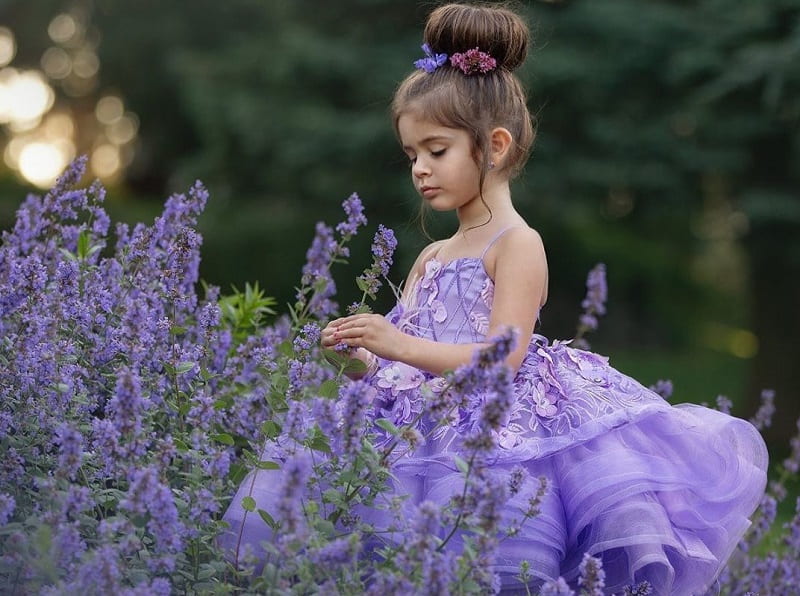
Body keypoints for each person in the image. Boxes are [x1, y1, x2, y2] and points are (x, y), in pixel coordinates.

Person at [223, 3, 768, 594]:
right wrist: (358, 357)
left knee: (478, 567)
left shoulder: (517, 244)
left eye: (436, 150)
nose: (420, 169)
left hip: (487, 439)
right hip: (408, 432)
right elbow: (400, 361)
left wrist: (396, 340)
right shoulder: (432, 256)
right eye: (411, 156)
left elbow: (502, 357)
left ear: (495, 145)